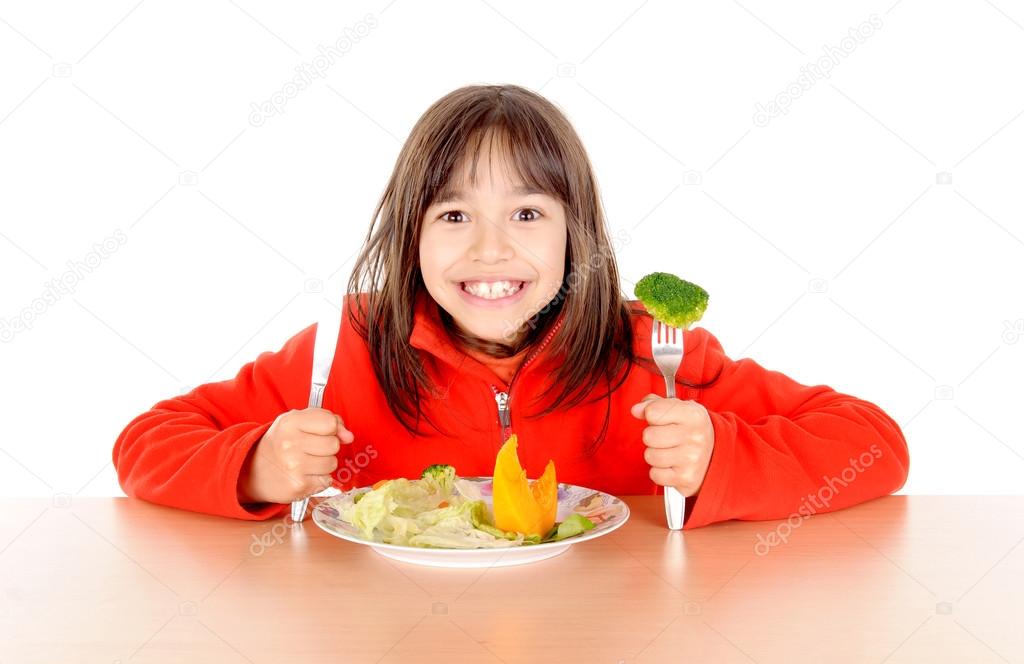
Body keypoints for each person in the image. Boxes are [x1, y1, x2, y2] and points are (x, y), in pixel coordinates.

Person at [113, 84, 908, 529]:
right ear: (409, 236)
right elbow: (145, 443)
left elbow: (875, 444)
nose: (490, 251)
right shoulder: (349, 344)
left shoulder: (650, 353)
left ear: (577, 235)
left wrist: (722, 458)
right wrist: (255, 467)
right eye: (454, 216)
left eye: (527, 215)